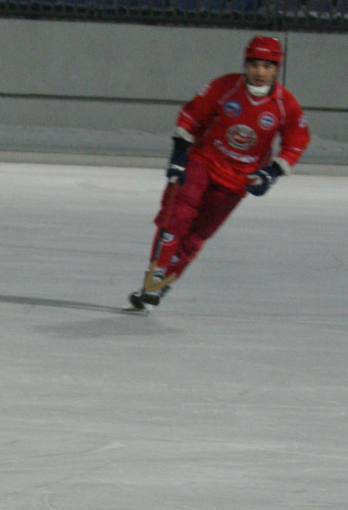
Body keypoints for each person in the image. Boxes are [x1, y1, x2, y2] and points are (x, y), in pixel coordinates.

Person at [129, 36, 310, 311]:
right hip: (204, 161)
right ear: (245, 64)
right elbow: (191, 115)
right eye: (254, 64)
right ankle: (153, 278)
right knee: (177, 216)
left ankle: (161, 284)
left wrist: (272, 172)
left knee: (197, 235)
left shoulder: (286, 104)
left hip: (238, 180)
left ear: (277, 69)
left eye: (267, 66)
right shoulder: (225, 87)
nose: (259, 72)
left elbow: (297, 139)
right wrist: (179, 155)